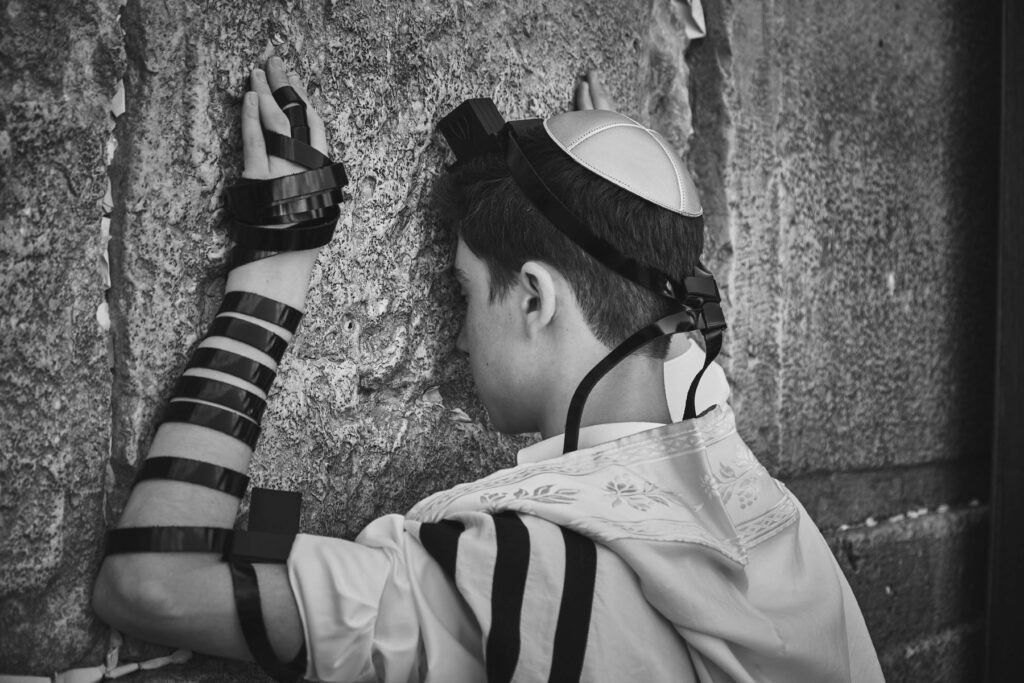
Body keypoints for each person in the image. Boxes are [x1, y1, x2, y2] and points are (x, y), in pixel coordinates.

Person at [92, 56, 883, 683]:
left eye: (464, 291)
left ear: (535, 297)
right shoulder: (762, 502)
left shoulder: (513, 576)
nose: (462, 341)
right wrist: (614, 176)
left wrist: (276, 265)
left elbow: (153, 584)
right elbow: (658, 330)